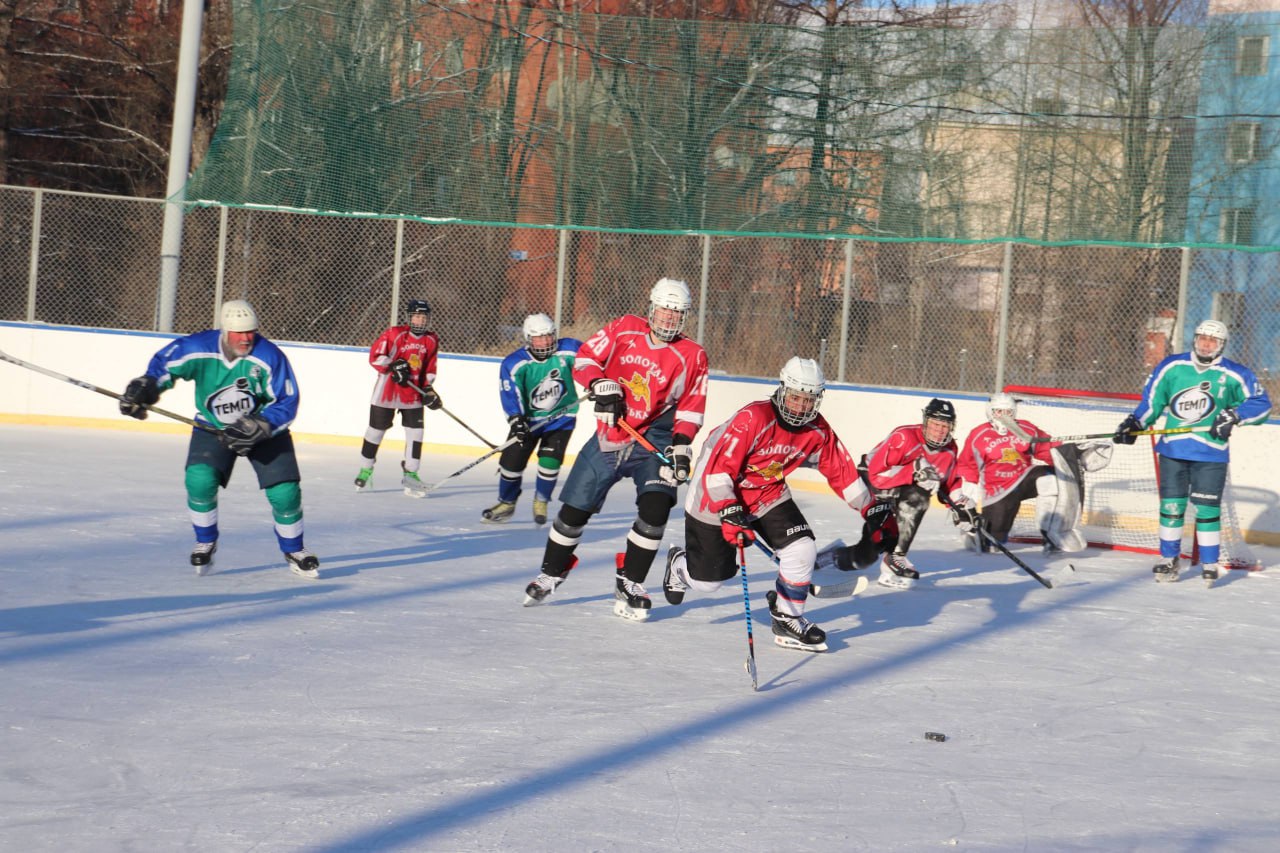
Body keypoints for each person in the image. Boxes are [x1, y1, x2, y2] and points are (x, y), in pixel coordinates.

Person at [661, 358, 899, 652]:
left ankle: (788, 617)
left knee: (802, 548)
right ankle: (679, 566)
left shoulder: (817, 430)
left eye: (809, 400)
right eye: (796, 397)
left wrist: (870, 507)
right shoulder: (754, 418)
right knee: (708, 583)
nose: (801, 406)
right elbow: (718, 471)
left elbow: (841, 471)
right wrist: (730, 510)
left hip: (766, 492)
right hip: (715, 492)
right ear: (783, 389)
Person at [521, 278, 709, 620]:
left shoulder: (692, 355)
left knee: (656, 509)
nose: (669, 318)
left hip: (654, 438)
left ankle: (631, 580)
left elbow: (692, 407)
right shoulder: (625, 328)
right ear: (651, 308)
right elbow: (585, 359)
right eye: (664, 310)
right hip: (611, 434)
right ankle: (552, 572)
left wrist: (682, 445)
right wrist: (600, 384)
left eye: (676, 313)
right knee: (574, 511)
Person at [117, 299, 319, 579]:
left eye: (251, 332)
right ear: (225, 330)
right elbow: (164, 366)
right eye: (239, 332)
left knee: (285, 492)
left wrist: (261, 425)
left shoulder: (269, 356)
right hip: (213, 426)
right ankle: (206, 540)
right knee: (199, 479)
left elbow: (287, 400)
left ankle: (295, 550)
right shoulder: (197, 347)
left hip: (263, 430)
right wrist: (145, 388)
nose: (246, 338)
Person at [1114, 320, 1272, 583]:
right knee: (1171, 507)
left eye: (1213, 340)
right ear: (1195, 339)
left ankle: (1209, 562)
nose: (1206, 344)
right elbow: (1153, 401)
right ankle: (1168, 558)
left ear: (1222, 344)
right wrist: (1135, 423)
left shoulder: (1235, 374)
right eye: (1202, 338)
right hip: (1173, 449)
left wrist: (1234, 415)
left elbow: (1261, 405)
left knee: (1207, 509)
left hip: (1211, 452)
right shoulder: (1172, 366)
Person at [955, 393, 1111, 554]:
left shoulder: (1026, 429)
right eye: (999, 412)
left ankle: (1052, 535)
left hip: (1024, 478)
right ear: (990, 412)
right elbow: (967, 465)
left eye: (1008, 412)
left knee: (1052, 478)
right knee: (992, 544)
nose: (1004, 416)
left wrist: (1075, 454)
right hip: (998, 491)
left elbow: (1050, 449)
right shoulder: (979, 435)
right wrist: (967, 496)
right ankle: (976, 536)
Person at [860, 398, 978, 589]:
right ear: (925, 421)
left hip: (902, 490)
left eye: (945, 426)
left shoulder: (950, 449)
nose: (939, 430)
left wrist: (960, 504)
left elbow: (948, 483)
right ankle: (894, 559)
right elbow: (876, 475)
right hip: (870, 483)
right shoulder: (904, 437)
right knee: (917, 497)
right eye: (935, 424)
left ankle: (830, 557)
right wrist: (914, 469)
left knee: (864, 556)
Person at [483, 313, 582, 525]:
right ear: (528, 339)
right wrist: (516, 420)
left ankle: (541, 500)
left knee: (550, 461)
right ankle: (507, 502)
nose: (545, 342)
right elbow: (511, 394)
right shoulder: (515, 363)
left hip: (561, 417)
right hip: (528, 421)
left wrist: (597, 382)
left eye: (548, 336)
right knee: (510, 464)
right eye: (538, 338)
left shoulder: (569, 349)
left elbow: (593, 362)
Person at [354, 298, 442, 496]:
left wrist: (428, 389)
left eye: (423, 317)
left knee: (416, 433)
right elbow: (375, 356)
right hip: (387, 391)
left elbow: (430, 367)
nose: (420, 321)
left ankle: (411, 474)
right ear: (409, 317)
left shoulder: (431, 340)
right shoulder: (395, 334)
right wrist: (393, 365)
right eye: (416, 316)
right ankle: (366, 468)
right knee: (375, 431)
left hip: (413, 392)